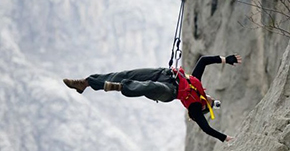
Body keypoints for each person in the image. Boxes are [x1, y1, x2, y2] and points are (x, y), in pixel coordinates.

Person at [62, 54, 242, 142]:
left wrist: (224, 137)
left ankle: (119, 87)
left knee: (149, 88)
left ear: (206, 106)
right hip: (163, 74)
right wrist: (227, 59)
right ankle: (87, 83)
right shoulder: (197, 83)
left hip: (168, 92)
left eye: (212, 102)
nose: (211, 98)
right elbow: (203, 60)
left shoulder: (195, 107)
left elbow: (206, 128)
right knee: (126, 73)